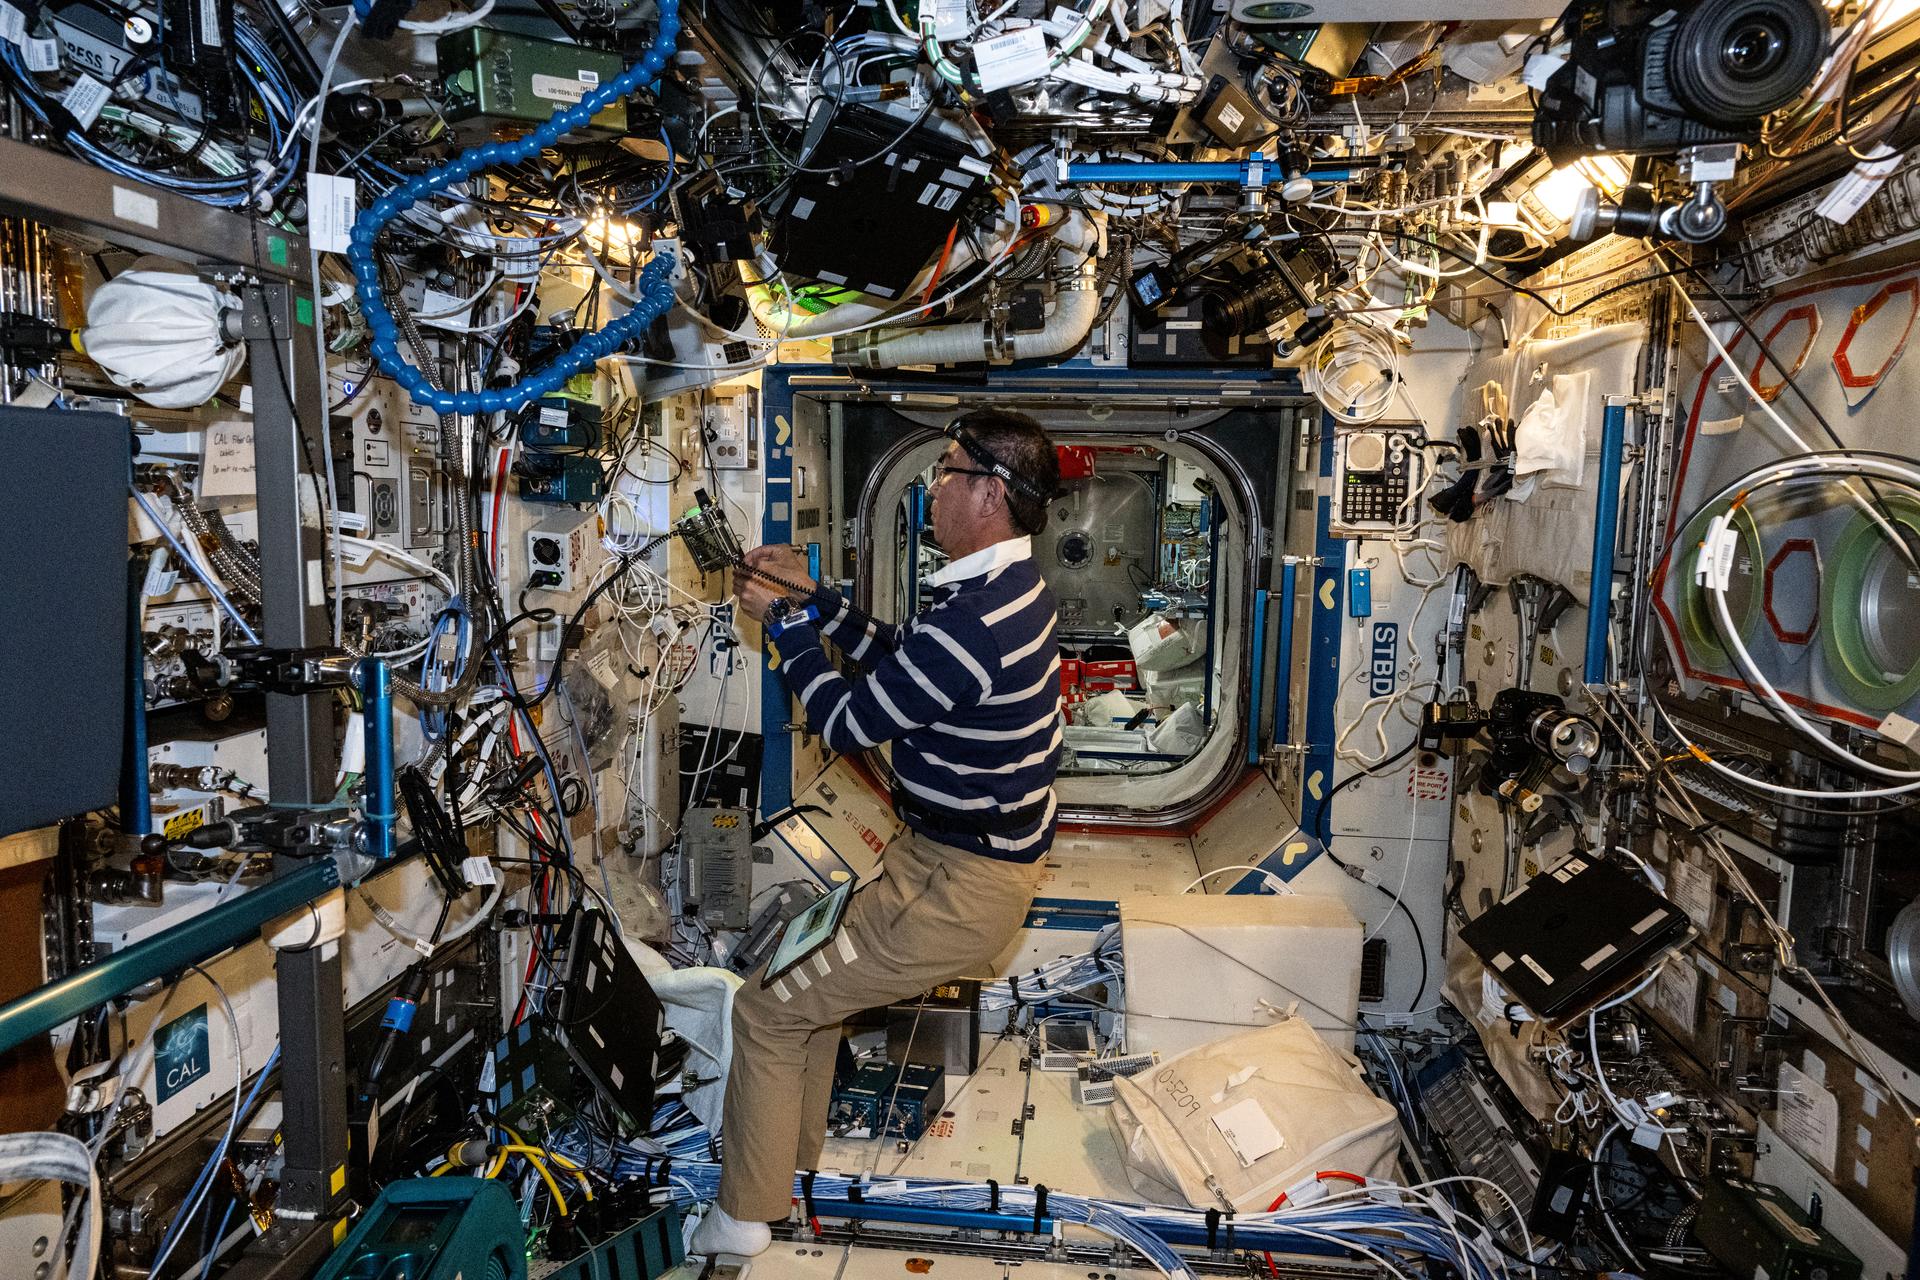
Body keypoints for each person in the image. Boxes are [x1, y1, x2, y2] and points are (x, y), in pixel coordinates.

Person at [691, 408, 1064, 1257]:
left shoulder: (978, 618)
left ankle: (743, 1220)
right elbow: (902, 659)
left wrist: (785, 628)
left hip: (954, 886)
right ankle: (782, 1181)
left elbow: (854, 720)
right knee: (804, 1005)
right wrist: (815, 602)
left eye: (948, 470)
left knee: (766, 1011)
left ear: (991, 493)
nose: (933, 486)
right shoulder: (998, 590)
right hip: (941, 862)